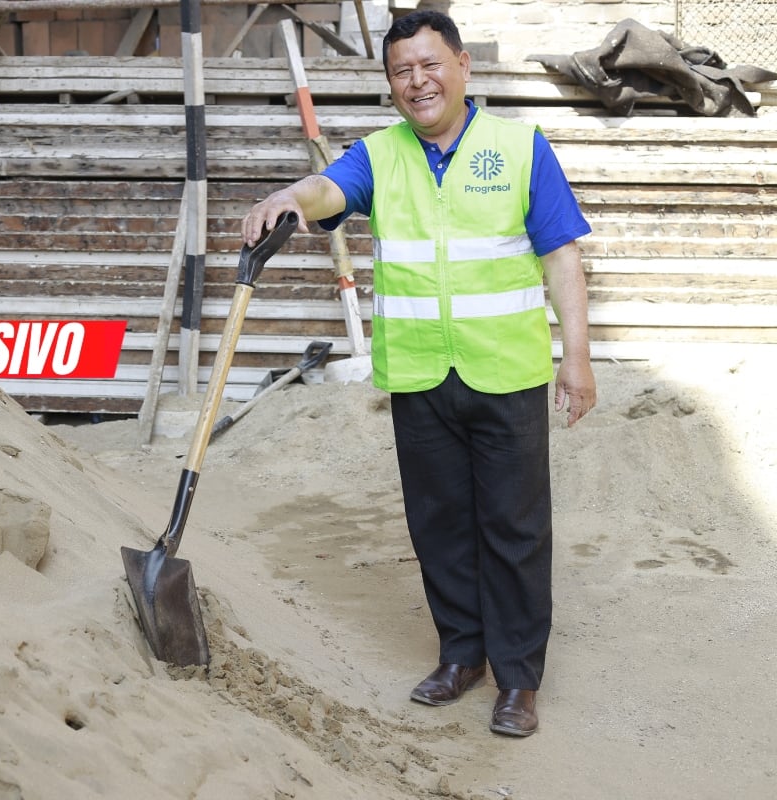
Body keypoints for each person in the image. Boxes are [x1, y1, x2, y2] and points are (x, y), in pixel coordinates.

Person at [241, 10, 596, 737]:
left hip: (505, 370)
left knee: (515, 527)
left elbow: (561, 254)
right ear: (391, 85)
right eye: (402, 71)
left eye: (431, 65)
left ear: (463, 66)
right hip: (421, 374)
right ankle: (461, 654)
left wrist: (579, 358)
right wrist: (288, 199)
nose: (418, 82)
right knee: (439, 524)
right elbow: (326, 189)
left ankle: (518, 679)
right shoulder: (381, 155)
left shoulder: (520, 147)